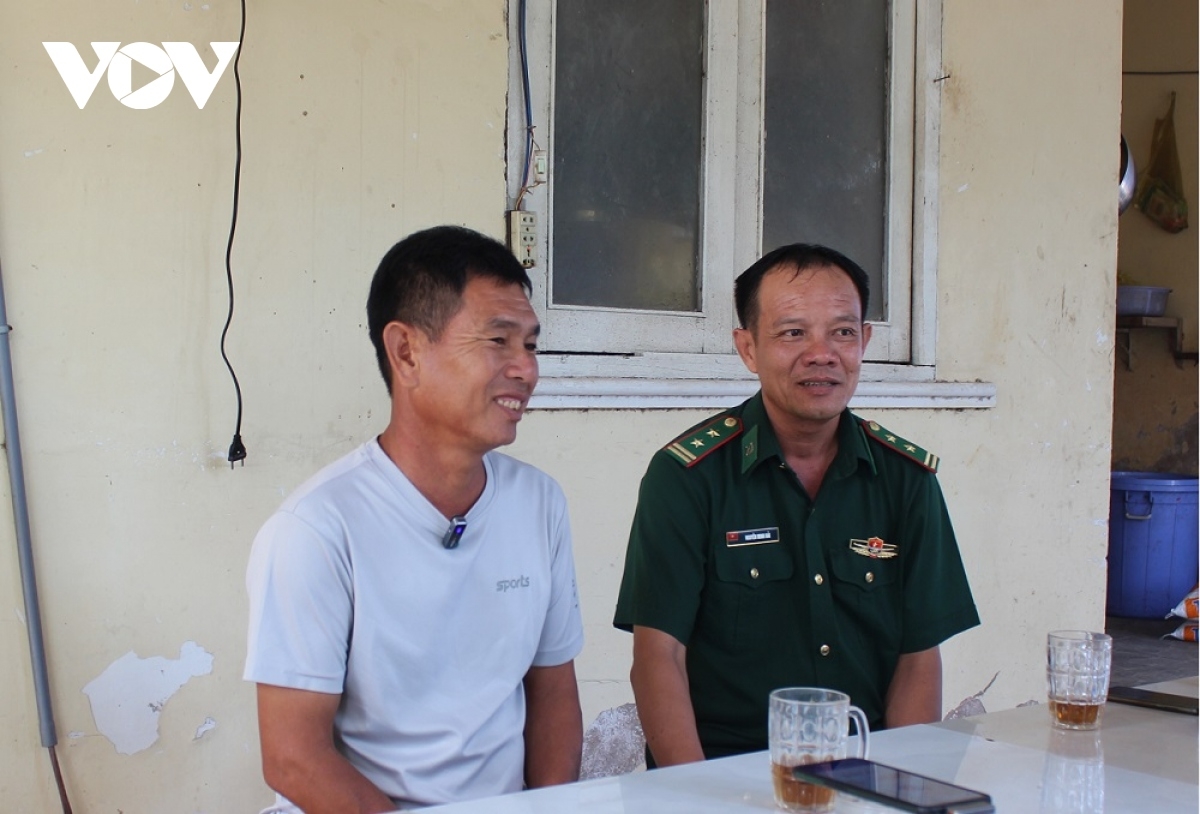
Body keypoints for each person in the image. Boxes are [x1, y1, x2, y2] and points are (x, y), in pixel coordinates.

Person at [244, 225, 585, 812]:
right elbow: (294, 757)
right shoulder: (318, 529)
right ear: (406, 352)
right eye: (498, 341)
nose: (525, 370)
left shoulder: (539, 504)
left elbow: (552, 690)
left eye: (530, 345)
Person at [613, 243, 980, 766]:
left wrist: (905, 787)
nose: (822, 354)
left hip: (865, 771)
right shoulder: (687, 478)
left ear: (865, 342)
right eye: (792, 332)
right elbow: (657, 655)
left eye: (843, 332)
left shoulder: (906, 481)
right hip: (724, 778)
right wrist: (692, 796)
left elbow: (918, 659)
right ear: (747, 348)